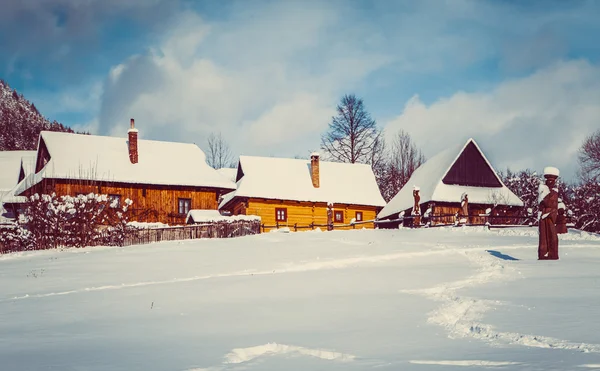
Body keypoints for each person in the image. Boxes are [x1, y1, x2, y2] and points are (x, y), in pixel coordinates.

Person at [538, 167, 560, 260]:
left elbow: (556, 204)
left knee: (553, 235)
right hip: (544, 216)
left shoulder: (555, 192)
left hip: (552, 216)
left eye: (553, 180)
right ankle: (544, 253)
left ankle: (553, 253)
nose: (551, 182)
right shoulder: (543, 190)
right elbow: (542, 202)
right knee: (544, 236)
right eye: (549, 180)